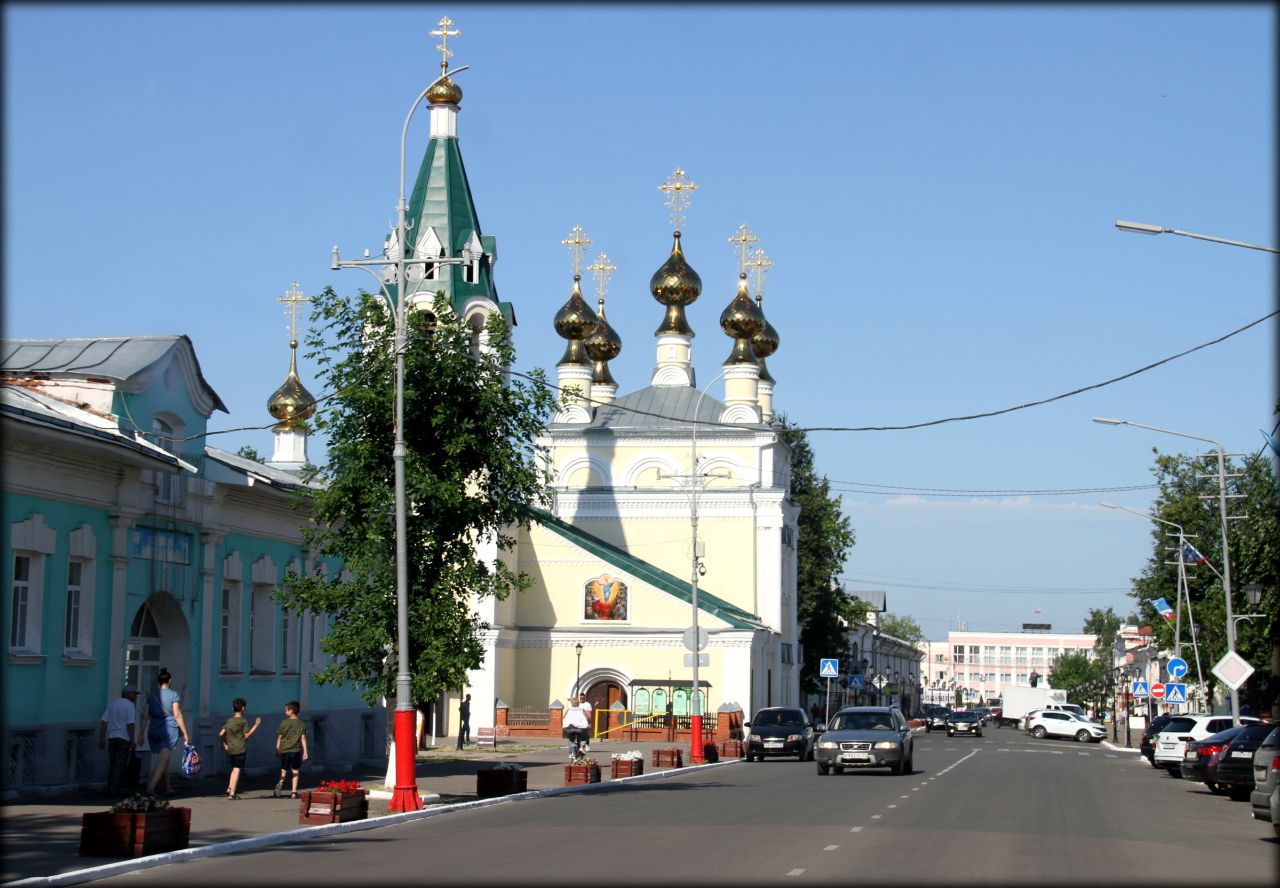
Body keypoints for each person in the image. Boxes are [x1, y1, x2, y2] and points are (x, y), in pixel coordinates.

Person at [137, 668, 189, 797]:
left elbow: (144, 716)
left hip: (153, 728)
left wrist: (140, 734)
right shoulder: (173, 695)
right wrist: (185, 733)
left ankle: (168, 787)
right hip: (168, 730)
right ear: (169, 681)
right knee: (162, 760)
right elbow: (177, 714)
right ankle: (151, 787)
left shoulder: (152, 696)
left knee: (164, 759)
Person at [99, 685, 138, 796]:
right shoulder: (130, 705)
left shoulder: (113, 704)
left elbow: (103, 721)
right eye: (135, 694)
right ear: (129, 693)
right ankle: (115, 789)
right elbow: (130, 724)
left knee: (113, 763)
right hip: (123, 738)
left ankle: (110, 786)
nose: (136, 697)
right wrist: (132, 740)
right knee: (119, 764)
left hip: (112, 737)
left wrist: (101, 738)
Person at [219, 697, 261, 800]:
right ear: (243, 708)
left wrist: (225, 743)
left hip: (231, 748)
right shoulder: (243, 721)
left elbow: (221, 733)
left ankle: (229, 787)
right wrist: (256, 725)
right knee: (237, 769)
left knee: (234, 768)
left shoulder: (229, 721)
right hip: (240, 748)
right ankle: (232, 793)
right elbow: (247, 735)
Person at [274, 700, 308, 799]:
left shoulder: (284, 723)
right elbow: (303, 738)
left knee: (283, 769)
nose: (285, 712)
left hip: (284, 750)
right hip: (296, 750)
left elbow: (279, 737)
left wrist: (277, 749)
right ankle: (293, 792)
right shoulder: (301, 724)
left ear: (291, 711)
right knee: (295, 771)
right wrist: (305, 751)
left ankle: (280, 785)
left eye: (286, 710)